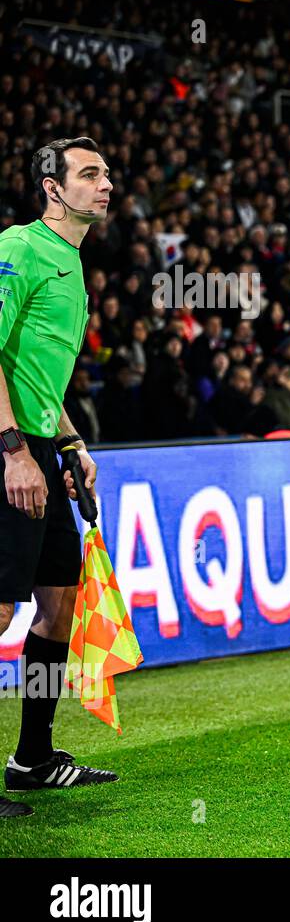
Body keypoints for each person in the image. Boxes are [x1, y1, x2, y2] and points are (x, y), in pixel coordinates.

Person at [0, 137, 120, 819]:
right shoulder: (19, 247)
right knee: (0, 608)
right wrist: (14, 449)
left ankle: (33, 758)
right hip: (7, 447)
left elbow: (37, 372)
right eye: (89, 174)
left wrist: (70, 445)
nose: (105, 184)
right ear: (53, 187)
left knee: (59, 603)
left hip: (42, 447)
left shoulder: (71, 262)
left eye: (105, 173)